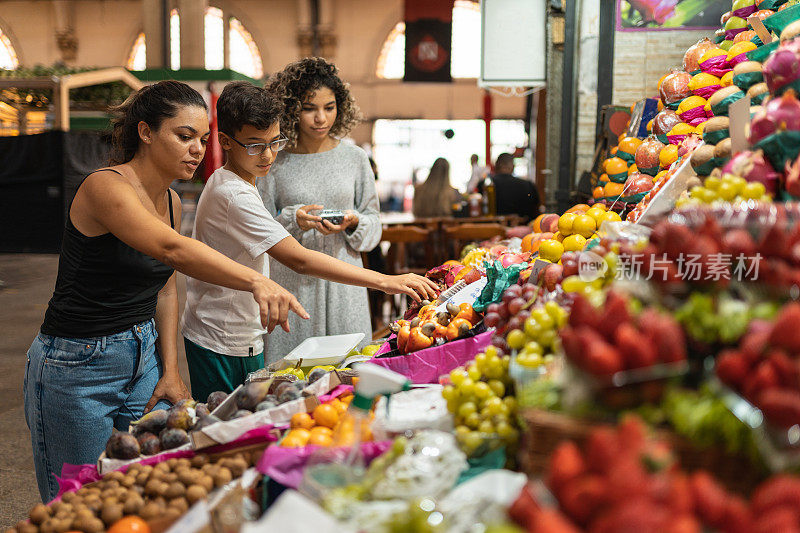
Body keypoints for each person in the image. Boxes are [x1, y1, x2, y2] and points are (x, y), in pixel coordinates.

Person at [23, 81, 311, 502]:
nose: (198, 149)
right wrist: (256, 279)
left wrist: (171, 369)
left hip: (144, 357)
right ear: (145, 132)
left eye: (203, 139)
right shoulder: (105, 187)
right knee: (83, 499)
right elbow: (171, 248)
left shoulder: (172, 201)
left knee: (147, 488)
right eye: (184, 136)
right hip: (77, 365)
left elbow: (166, 285)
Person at [181, 82, 436, 401]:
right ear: (225, 142)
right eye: (255, 146)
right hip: (222, 334)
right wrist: (385, 281)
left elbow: (370, 219)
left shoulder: (242, 180)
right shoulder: (233, 193)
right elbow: (298, 258)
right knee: (227, 423)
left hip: (242, 327)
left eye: (275, 142)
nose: (269, 155)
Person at [258, 57, 384, 362]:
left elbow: (374, 223)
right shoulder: (275, 161)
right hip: (292, 282)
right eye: (309, 108)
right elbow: (259, 228)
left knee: (350, 369)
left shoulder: (354, 158)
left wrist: (354, 222)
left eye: (329, 107)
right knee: (291, 377)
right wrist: (292, 219)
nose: (320, 118)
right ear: (291, 109)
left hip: (346, 282)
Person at [487, 153, 540, 220]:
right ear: (513, 167)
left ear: (496, 166)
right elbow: (535, 210)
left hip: (492, 228)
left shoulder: (486, 185)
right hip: (523, 228)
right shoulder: (528, 185)